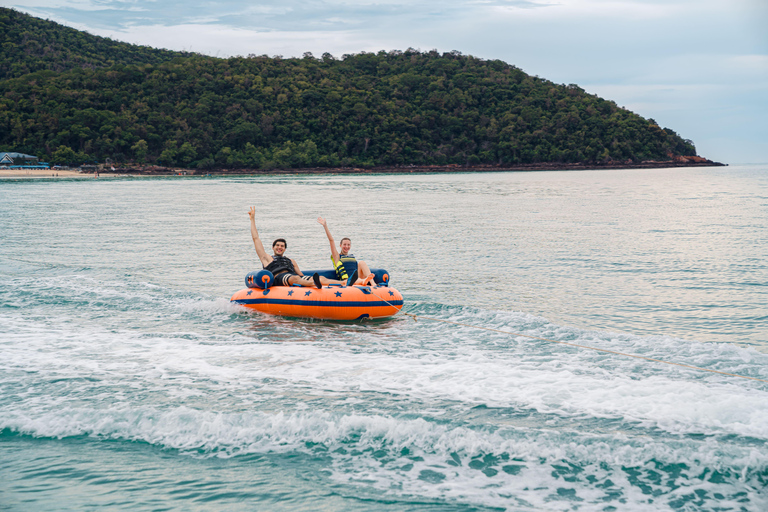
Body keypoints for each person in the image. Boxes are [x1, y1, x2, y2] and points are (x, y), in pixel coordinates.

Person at [249, 207, 345, 288]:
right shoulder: (267, 258)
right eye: (277, 245)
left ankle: (343, 283)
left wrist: (307, 278)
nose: (279, 247)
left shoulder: (291, 261)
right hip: (280, 279)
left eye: (282, 246)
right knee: (294, 278)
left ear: (285, 249)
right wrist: (252, 219)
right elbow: (256, 239)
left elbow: (300, 275)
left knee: (321, 278)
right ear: (273, 247)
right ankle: (314, 283)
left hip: (295, 277)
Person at [317, 217, 375, 286]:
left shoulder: (351, 257)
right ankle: (363, 281)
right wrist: (325, 226)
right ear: (340, 245)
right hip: (347, 282)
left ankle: (373, 283)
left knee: (362, 263)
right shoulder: (337, 257)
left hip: (357, 278)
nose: (346, 247)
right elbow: (331, 240)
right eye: (344, 244)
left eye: (348, 245)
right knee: (354, 279)